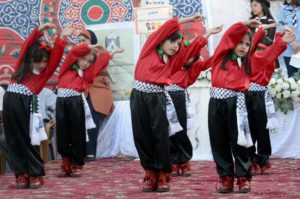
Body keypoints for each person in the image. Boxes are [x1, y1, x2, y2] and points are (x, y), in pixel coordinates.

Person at [130, 14, 210, 192]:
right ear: (162, 40)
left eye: (178, 43)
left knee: (161, 136)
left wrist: (206, 36)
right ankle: (150, 174)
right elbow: (165, 28)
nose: (175, 46)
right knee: (142, 136)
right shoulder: (149, 49)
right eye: (172, 41)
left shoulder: (174, 60)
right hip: (138, 97)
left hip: (157, 98)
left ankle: (164, 174)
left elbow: (190, 52)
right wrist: (188, 19)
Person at [1, 23, 73, 189]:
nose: (42, 64)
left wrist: (62, 38)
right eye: (38, 61)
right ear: (30, 59)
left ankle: (35, 174)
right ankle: (21, 174)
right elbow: (26, 45)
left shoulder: (45, 73)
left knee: (29, 139)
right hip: (10, 102)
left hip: (27, 104)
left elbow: (55, 57)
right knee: (10, 140)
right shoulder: (21, 67)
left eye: (45, 61)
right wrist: (38, 32)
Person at [207, 19, 261, 194]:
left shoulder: (245, 63)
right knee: (219, 141)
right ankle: (226, 178)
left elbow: (265, 56)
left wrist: (281, 43)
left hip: (236, 105)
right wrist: (244, 24)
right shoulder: (220, 56)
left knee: (240, 143)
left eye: (247, 44)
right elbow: (229, 35)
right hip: (216, 104)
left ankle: (243, 178)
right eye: (241, 42)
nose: (244, 47)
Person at [166, 25, 223, 177]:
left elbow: (210, 62)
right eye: (187, 55)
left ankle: (183, 161)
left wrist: (222, 49)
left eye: (192, 56)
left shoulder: (195, 65)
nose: (188, 58)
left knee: (181, 129)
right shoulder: (173, 59)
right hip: (165, 96)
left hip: (178, 96)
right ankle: (171, 161)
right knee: (168, 131)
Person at [56, 42, 112, 178]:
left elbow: (97, 66)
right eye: (84, 59)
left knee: (77, 133)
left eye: (89, 61)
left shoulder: (87, 74)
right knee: (63, 134)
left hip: (76, 103)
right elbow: (73, 53)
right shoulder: (66, 68)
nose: (86, 63)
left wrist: (106, 54)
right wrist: (88, 48)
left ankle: (76, 165)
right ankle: (65, 164)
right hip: (61, 102)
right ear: (78, 58)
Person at [246, 25, 295, 175]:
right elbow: (268, 50)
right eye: (259, 49)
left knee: (263, 129)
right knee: (250, 129)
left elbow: (272, 51)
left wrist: (280, 35)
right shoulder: (254, 56)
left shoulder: (267, 58)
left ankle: (263, 160)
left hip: (261, 96)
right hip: (249, 96)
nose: (261, 52)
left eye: (264, 49)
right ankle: (251, 159)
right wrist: (278, 37)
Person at [78, 29, 124, 162]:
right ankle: (81, 152)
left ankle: (90, 152)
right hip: (85, 91)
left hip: (99, 91)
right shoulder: (80, 55)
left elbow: (94, 70)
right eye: (79, 41)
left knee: (91, 117)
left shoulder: (100, 53)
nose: (81, 43)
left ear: (91, 41)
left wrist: (113, 52)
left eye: (84, 40)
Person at [277, 0, 300, 77]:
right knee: (292, 77)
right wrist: (292, 43)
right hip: (289, 50)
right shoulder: (283, 11)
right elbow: (279, 29)